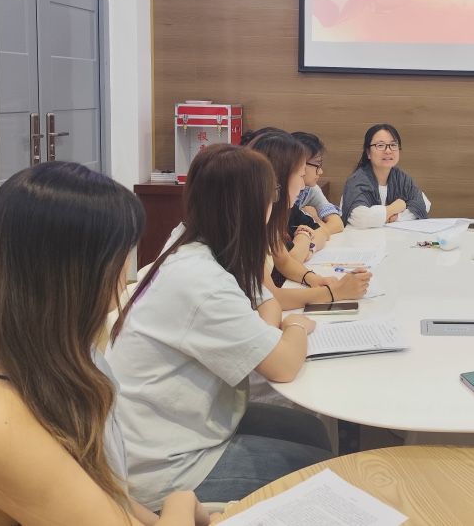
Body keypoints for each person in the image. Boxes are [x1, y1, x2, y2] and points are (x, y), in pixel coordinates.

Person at [0, 162, 205, 525]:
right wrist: (180, 503)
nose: (125, 273)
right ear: (77, 274)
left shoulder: (55, 355)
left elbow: (103, 493)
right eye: (121, 257)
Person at [108, 145, 333, 510]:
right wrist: (294, 327)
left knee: (310, 430)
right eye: (273, 193)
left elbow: (267, 302)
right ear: (251, 205)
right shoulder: (202, 280)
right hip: (168, 466)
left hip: (187, 423)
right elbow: (283, 365)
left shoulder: (200, 246)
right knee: (321, 471)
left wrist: (271, 330)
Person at [246, 132, 370, 307]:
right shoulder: (249, 225)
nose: (303, 185)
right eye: (300, 175)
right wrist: (335, 292)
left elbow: (284, 261)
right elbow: (270, 297)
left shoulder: (270, 217)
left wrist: (312, 278)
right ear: (280, 178)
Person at [342, 124, 430, 228]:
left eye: (393, 145)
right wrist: (394, 208)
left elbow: (424, 204)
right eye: (380, 145)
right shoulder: (356, 181)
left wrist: (397, 218)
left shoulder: (402, 178)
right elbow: (361, 218)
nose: (388, 151)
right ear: (368, 152)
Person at [292, 131, 344, 237]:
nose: (320, 172)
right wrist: (315, 223)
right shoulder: (277, 194)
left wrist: (315, 219)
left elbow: (337, 224)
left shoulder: (310, 189)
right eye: (317, 165)